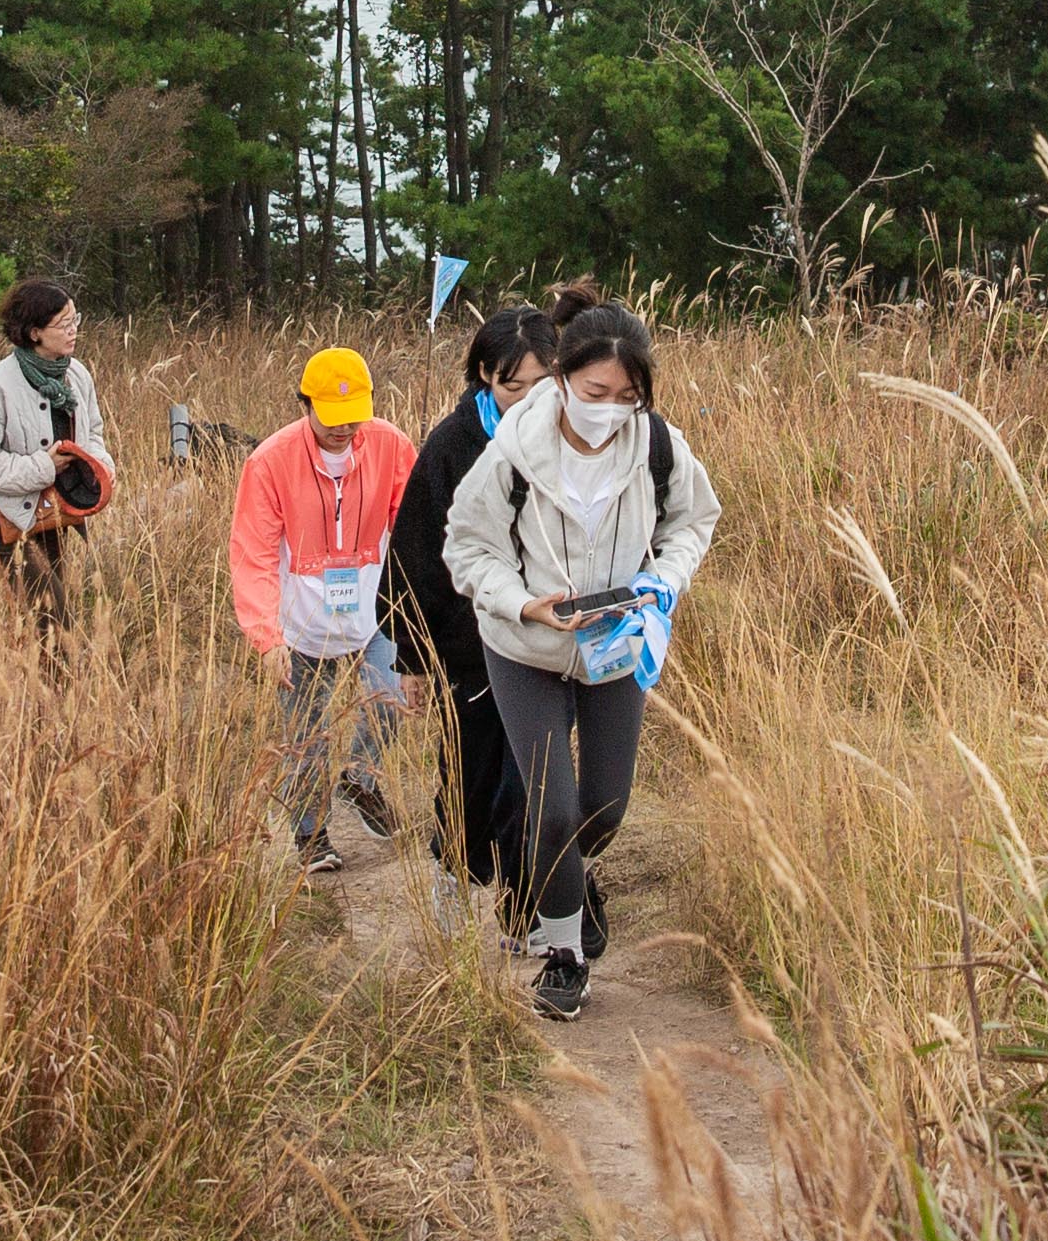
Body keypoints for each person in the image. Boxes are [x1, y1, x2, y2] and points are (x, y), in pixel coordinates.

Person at [441, 301, 716, 1023]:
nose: (610, 411)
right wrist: (524, 603)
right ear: (562, 380)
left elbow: (694, 521)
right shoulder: (512, 453)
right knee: (552, 807)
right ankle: (562, 955)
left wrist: (666, 579)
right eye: (596, 395)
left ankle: (561, 877)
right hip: (525, 646)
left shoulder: (657, 446)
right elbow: (466, 547)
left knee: (603, 806)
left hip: (615, 645)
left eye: (627, 398)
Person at [385, 304, 555, 926]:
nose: (529, 400)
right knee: (467, 773)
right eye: (514, 387)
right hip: (469, 645)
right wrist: (412, 656)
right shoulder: (453, 443)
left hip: (545, 641)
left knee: (531, 781)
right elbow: (415, 553)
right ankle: (453, 876)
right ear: (485, 375)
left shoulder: (575, 440)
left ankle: (524, 910)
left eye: (543, 385)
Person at [230, 347, 414, 873]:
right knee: (308, 734)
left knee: (393, 694)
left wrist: (423, 603)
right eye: (331, 418)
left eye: (354, 414)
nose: (344, 428)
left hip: (376, 606)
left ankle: (360, 774)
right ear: (304, 404)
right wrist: (267, 638)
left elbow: (413, 523)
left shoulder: (389, 445)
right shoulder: (269, 461)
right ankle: (312, 837)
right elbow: (253, 554)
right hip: (301, 621)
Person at [0, 276, 115, 628]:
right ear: (34, 332)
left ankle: (50, 676)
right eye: (64, 324)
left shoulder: (76, 374)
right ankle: (61, 681)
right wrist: (44, 466)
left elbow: (94, 432)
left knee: (48, 607)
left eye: (76, 320)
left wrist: (101, 467)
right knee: (50, 614)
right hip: (0, 512)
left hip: (56, 505)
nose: (74, 330)